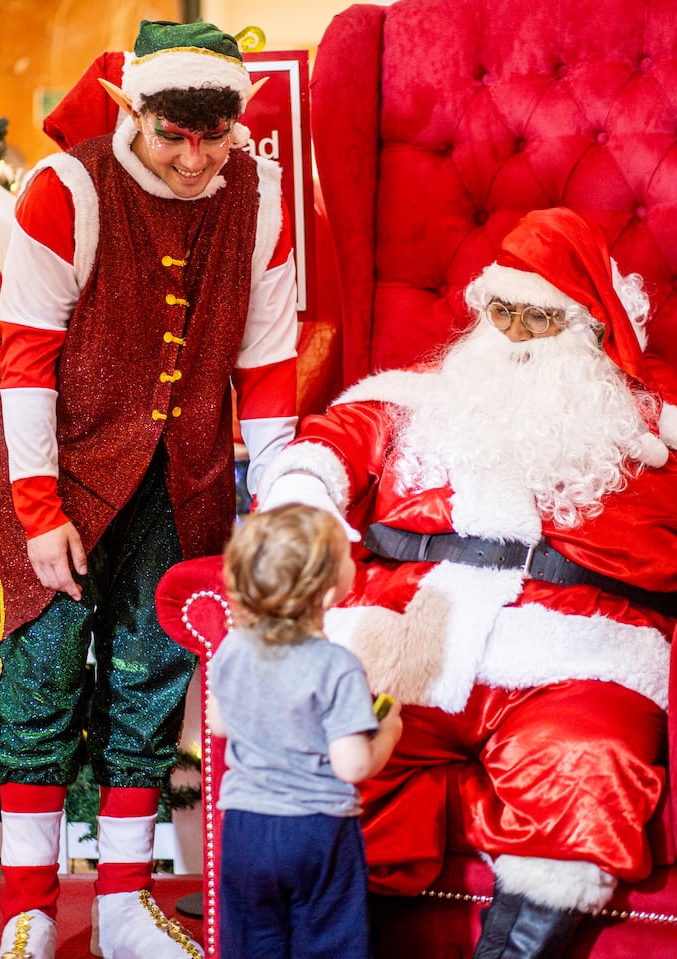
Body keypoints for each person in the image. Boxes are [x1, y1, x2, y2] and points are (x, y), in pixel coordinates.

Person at [0, 19, 299, 959]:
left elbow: (265, 364)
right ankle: (30, 911)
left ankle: (128, 909)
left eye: (213, 136)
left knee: (147, 684)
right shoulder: (68, 190)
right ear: (136, 109)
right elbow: (25, 361)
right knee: (43, 683)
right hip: (60, 468)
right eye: (173, 133)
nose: (193, 156)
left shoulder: (259, 197)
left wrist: (286, 495)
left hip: (184, 476)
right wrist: (41, 511)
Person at [256, 206, 677, 958]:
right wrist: (304, 508)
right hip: (411, 630)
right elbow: (325, 446)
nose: (513, 335)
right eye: (502, 311)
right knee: (313, 750)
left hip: (576, 654)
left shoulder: (648, 422)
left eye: (538, 318)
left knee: (587, 768)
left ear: (584, 328)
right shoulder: (418, 395)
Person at [206, 503, 403, 959]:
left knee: (253, 943)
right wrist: (387, 731)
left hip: (246, 827)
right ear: (328, 589)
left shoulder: (233, 647)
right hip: (318, 830)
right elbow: (352, 764)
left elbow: (218, 721)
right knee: (328, 941)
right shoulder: (337, 666)